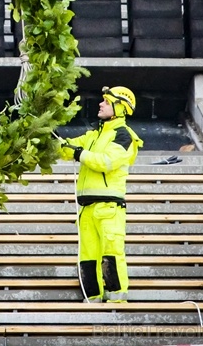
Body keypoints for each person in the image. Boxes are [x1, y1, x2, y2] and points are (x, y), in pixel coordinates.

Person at [60, 85, 143, 303]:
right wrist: (48, 136)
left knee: (111, 255)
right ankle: (93, 300)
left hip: (109, 208)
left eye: (106, 101)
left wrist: (79, 154)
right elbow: (68, 148)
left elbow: (106, 162)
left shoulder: (124, 136)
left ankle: (117, 301)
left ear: (120, 108)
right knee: (87, 257)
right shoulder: (94, 135)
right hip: (88, 208)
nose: (101, 104)